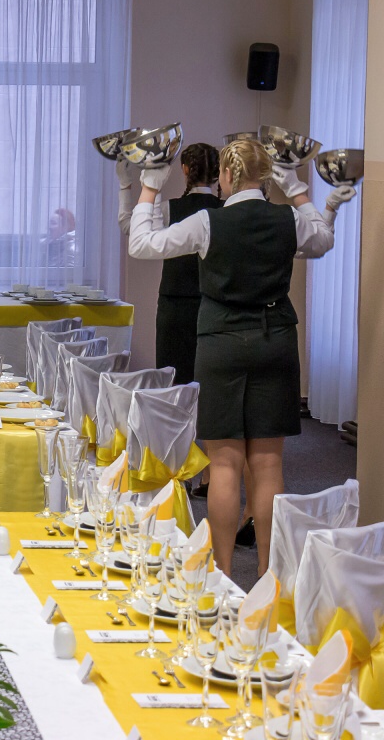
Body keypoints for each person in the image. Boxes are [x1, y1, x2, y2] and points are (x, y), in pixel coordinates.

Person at [128, 139, 355, 576]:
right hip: (276, 344)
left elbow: (142, 244)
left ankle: (223, 575)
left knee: (225, 463)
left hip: (222, 345)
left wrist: (150, 188)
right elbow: (323, 240)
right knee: (268, 465)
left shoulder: (207, 222)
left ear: (228, 175)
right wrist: (303, 193)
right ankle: (268, 577)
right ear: (266, 176)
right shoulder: (287, 218)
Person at [118, 143, 222, 386]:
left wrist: (125, 184)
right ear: (218, 172)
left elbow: (128, 226)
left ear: (184, 169)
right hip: (215, 305)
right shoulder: (226, 210)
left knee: (172, 378)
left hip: (174, 306)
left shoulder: (168, 208)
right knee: (210, 380)